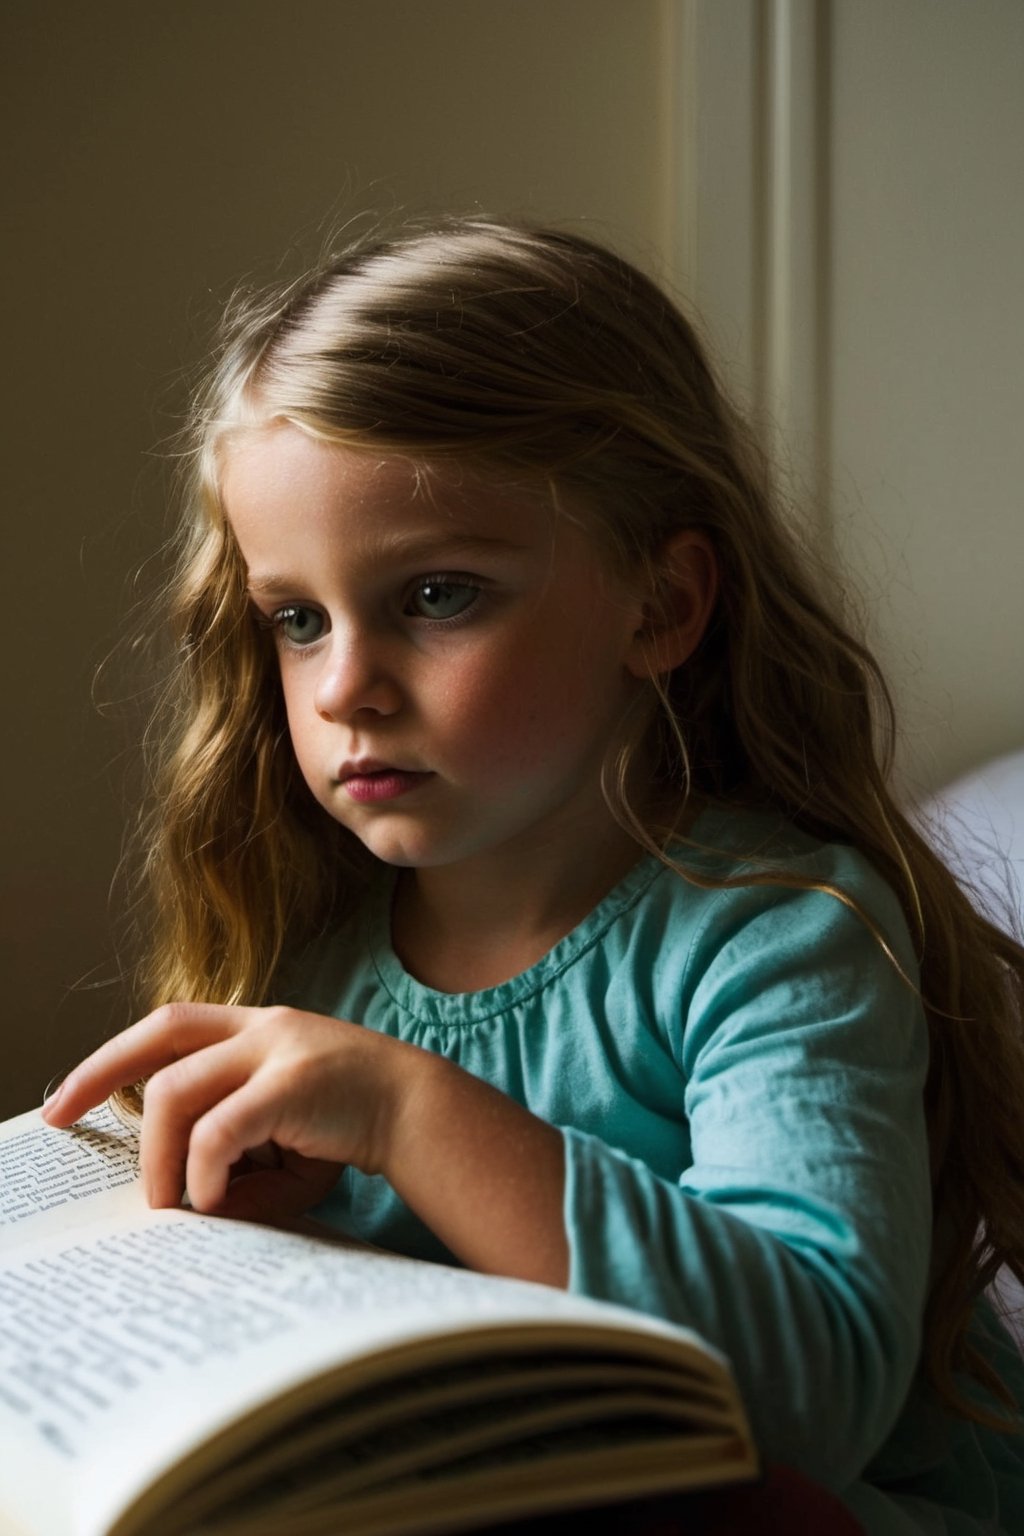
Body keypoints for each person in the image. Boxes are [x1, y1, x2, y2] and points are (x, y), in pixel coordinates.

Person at [42, 218, 1024, 1531]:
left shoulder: (777, 933)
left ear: (661, 605)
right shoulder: (313, 956)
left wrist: (408, 1116)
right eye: (297, 618)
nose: (345, 689)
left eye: (439, 595)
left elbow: (816, 1390)